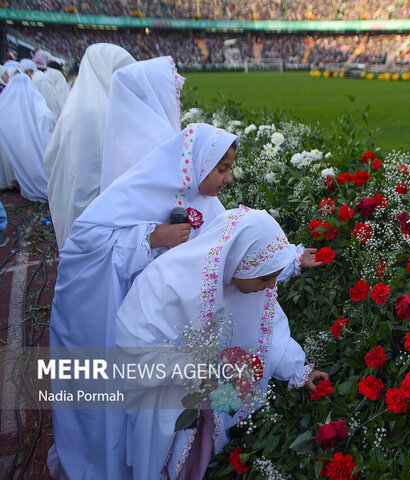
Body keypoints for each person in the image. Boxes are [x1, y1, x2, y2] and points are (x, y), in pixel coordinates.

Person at [48, 123, 238, 480]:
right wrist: (150, 238)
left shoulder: (210, 205)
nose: (228, 179)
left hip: (166, 326)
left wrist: (286, 260)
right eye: (222, 169)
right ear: (198, 164)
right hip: (120, 319)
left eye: (229, 169)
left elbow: (229, 249)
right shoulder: (141, 191)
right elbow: (85, 244)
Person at [115, 207, 327, 479]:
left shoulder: (247, 284)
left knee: (205, 451)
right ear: (236, 260)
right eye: (265, 277)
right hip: (165, 399)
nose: (271, 285)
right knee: (165, 457)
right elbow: (133, 346)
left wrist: (299, 369)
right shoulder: (167, 281)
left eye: (275, 276)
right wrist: (188, 369)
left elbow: (268, 331)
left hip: (210, 402)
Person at [43, 43, 136, 250]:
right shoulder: (97, 113)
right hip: (93, 210)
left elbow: (50, 158)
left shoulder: (76, 108)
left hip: (76, 205)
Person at [100, 55, 185, 191]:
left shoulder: (123, 137)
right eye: (174, 95)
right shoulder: (161, 143)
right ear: (156, 95)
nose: (179, 104)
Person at [0, 72, 52, 202]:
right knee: (38, 163)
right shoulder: (32, 95)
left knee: (23, 165)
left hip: (17, 142)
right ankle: (45, 188)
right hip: (35, 139)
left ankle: (29, 188)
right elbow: (46, 115)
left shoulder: (5, 100)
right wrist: (44, 131)